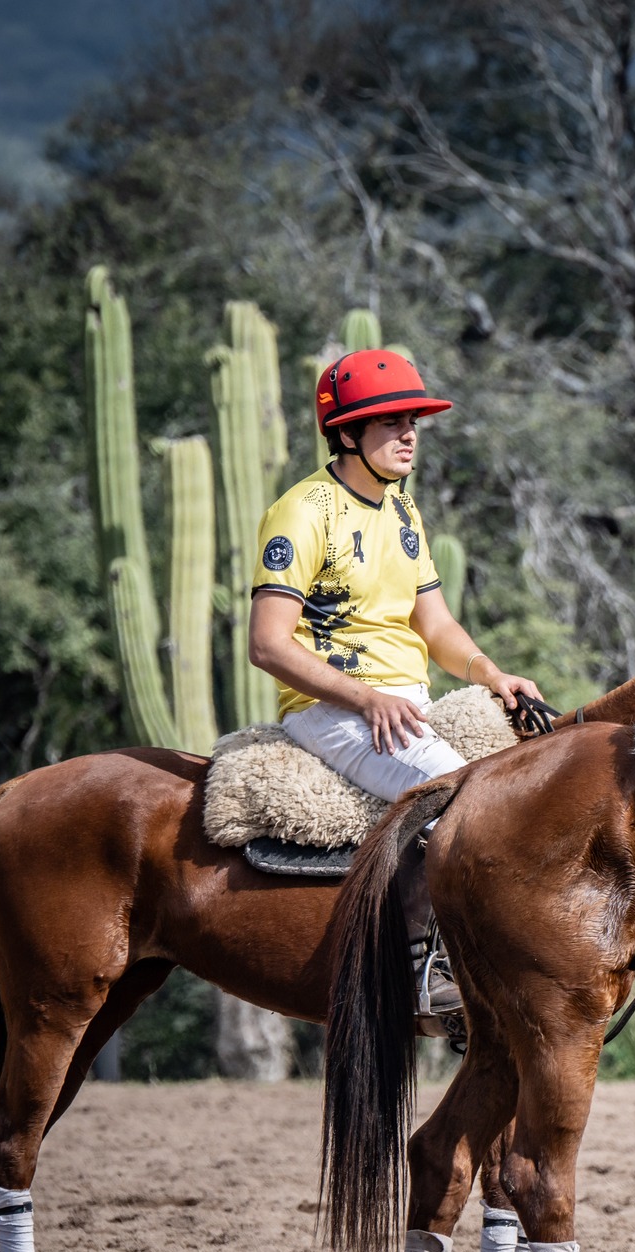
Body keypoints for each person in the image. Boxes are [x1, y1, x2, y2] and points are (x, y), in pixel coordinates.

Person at [249, 348, 542, 1017]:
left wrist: (493, 675)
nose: (409, 433)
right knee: (463, 798)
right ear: (346, 433)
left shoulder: (403, 513)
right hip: (334, 709)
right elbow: (266, 643)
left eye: (413, 419)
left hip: (404, 705)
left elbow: (436, 628)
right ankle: (421, 972)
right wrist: (364, 697)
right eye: (388, 422)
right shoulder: (304, 511)